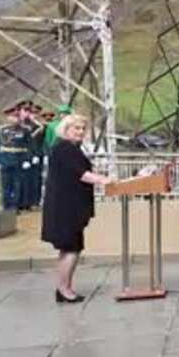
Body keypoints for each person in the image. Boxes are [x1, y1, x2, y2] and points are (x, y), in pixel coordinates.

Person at [40, 114, 115, 303]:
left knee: (70, 248)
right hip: (66, 208)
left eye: (82, 128)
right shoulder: (65, 148)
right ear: (65, 130)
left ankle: (64, 287)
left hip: (68, 206)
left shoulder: (69, 148)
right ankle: (64, 289)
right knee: (71, 248)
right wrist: (104, 180)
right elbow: (81, 174)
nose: (80, 132)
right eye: (76, 128)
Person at [0, 105, 30, 210]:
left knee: (17, 185)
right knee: (6, 185)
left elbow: (29, 146)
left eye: (16, 117)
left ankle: (14, 207)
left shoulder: (25, 130)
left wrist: (27, 159)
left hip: (19, 160)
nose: (14, 119)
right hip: (5, 160)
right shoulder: (1, 130)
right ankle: (6, 206)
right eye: (12, 117)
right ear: (7, 118)